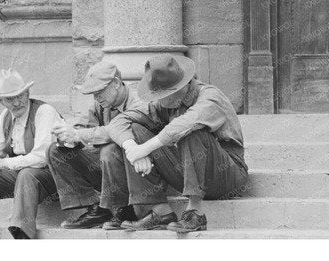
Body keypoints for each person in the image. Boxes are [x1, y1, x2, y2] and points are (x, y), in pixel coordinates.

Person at [104, 55, 250, 234]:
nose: (158, 99)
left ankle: (194, 212)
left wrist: (145, 148)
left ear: (180, 87)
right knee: (135, 129)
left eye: (162, 95)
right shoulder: (164, 104)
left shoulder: (211, 95)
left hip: (227, 175)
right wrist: (133, 149)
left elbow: (188, 122)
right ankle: (161, 212)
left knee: (190, 132)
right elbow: (119, 122)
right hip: (191, 172)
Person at [0, 68, 63, 239]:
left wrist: (2, 163)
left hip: (53, 180)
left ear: (27, 93)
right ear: (1, 101)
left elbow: (42, 158)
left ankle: (22, 233)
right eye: (9, 99)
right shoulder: (6, 116)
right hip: (23, 180)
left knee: (27, 174)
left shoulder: (44, 112)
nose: (16, 103)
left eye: (20, 96)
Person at [46, 58, 140, 229]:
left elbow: (115, 132)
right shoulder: (102, 102)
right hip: (110, 169)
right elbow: (82, 126)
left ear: (116, 83)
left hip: (140, 171)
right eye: (93, 93)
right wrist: (65, 135)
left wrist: (77, 134)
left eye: (100, 91)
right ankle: (96, 208)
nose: (96, 97)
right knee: (56, 151)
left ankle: (124, 209)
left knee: (110, 150)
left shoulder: (137, 100)